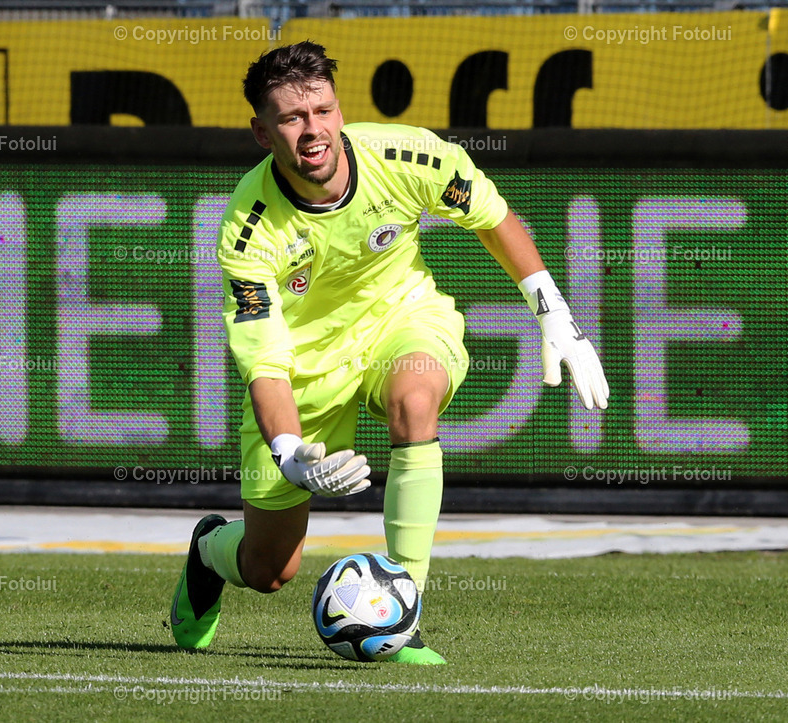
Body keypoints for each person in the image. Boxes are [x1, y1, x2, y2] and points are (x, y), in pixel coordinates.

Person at [170, 40, 609, 665]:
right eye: (292, 119)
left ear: (339, 110)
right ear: (262, 133)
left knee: (415, 398)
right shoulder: (247, 227)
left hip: (402, 320)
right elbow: (265, 363)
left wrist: (555, 314)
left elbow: (492, 215)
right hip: (305, 368)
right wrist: (290, 453)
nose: (313, 131)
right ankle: (209, 549)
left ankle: (402, 617)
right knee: (270, 570)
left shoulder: (406, 155)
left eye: (322, 110)